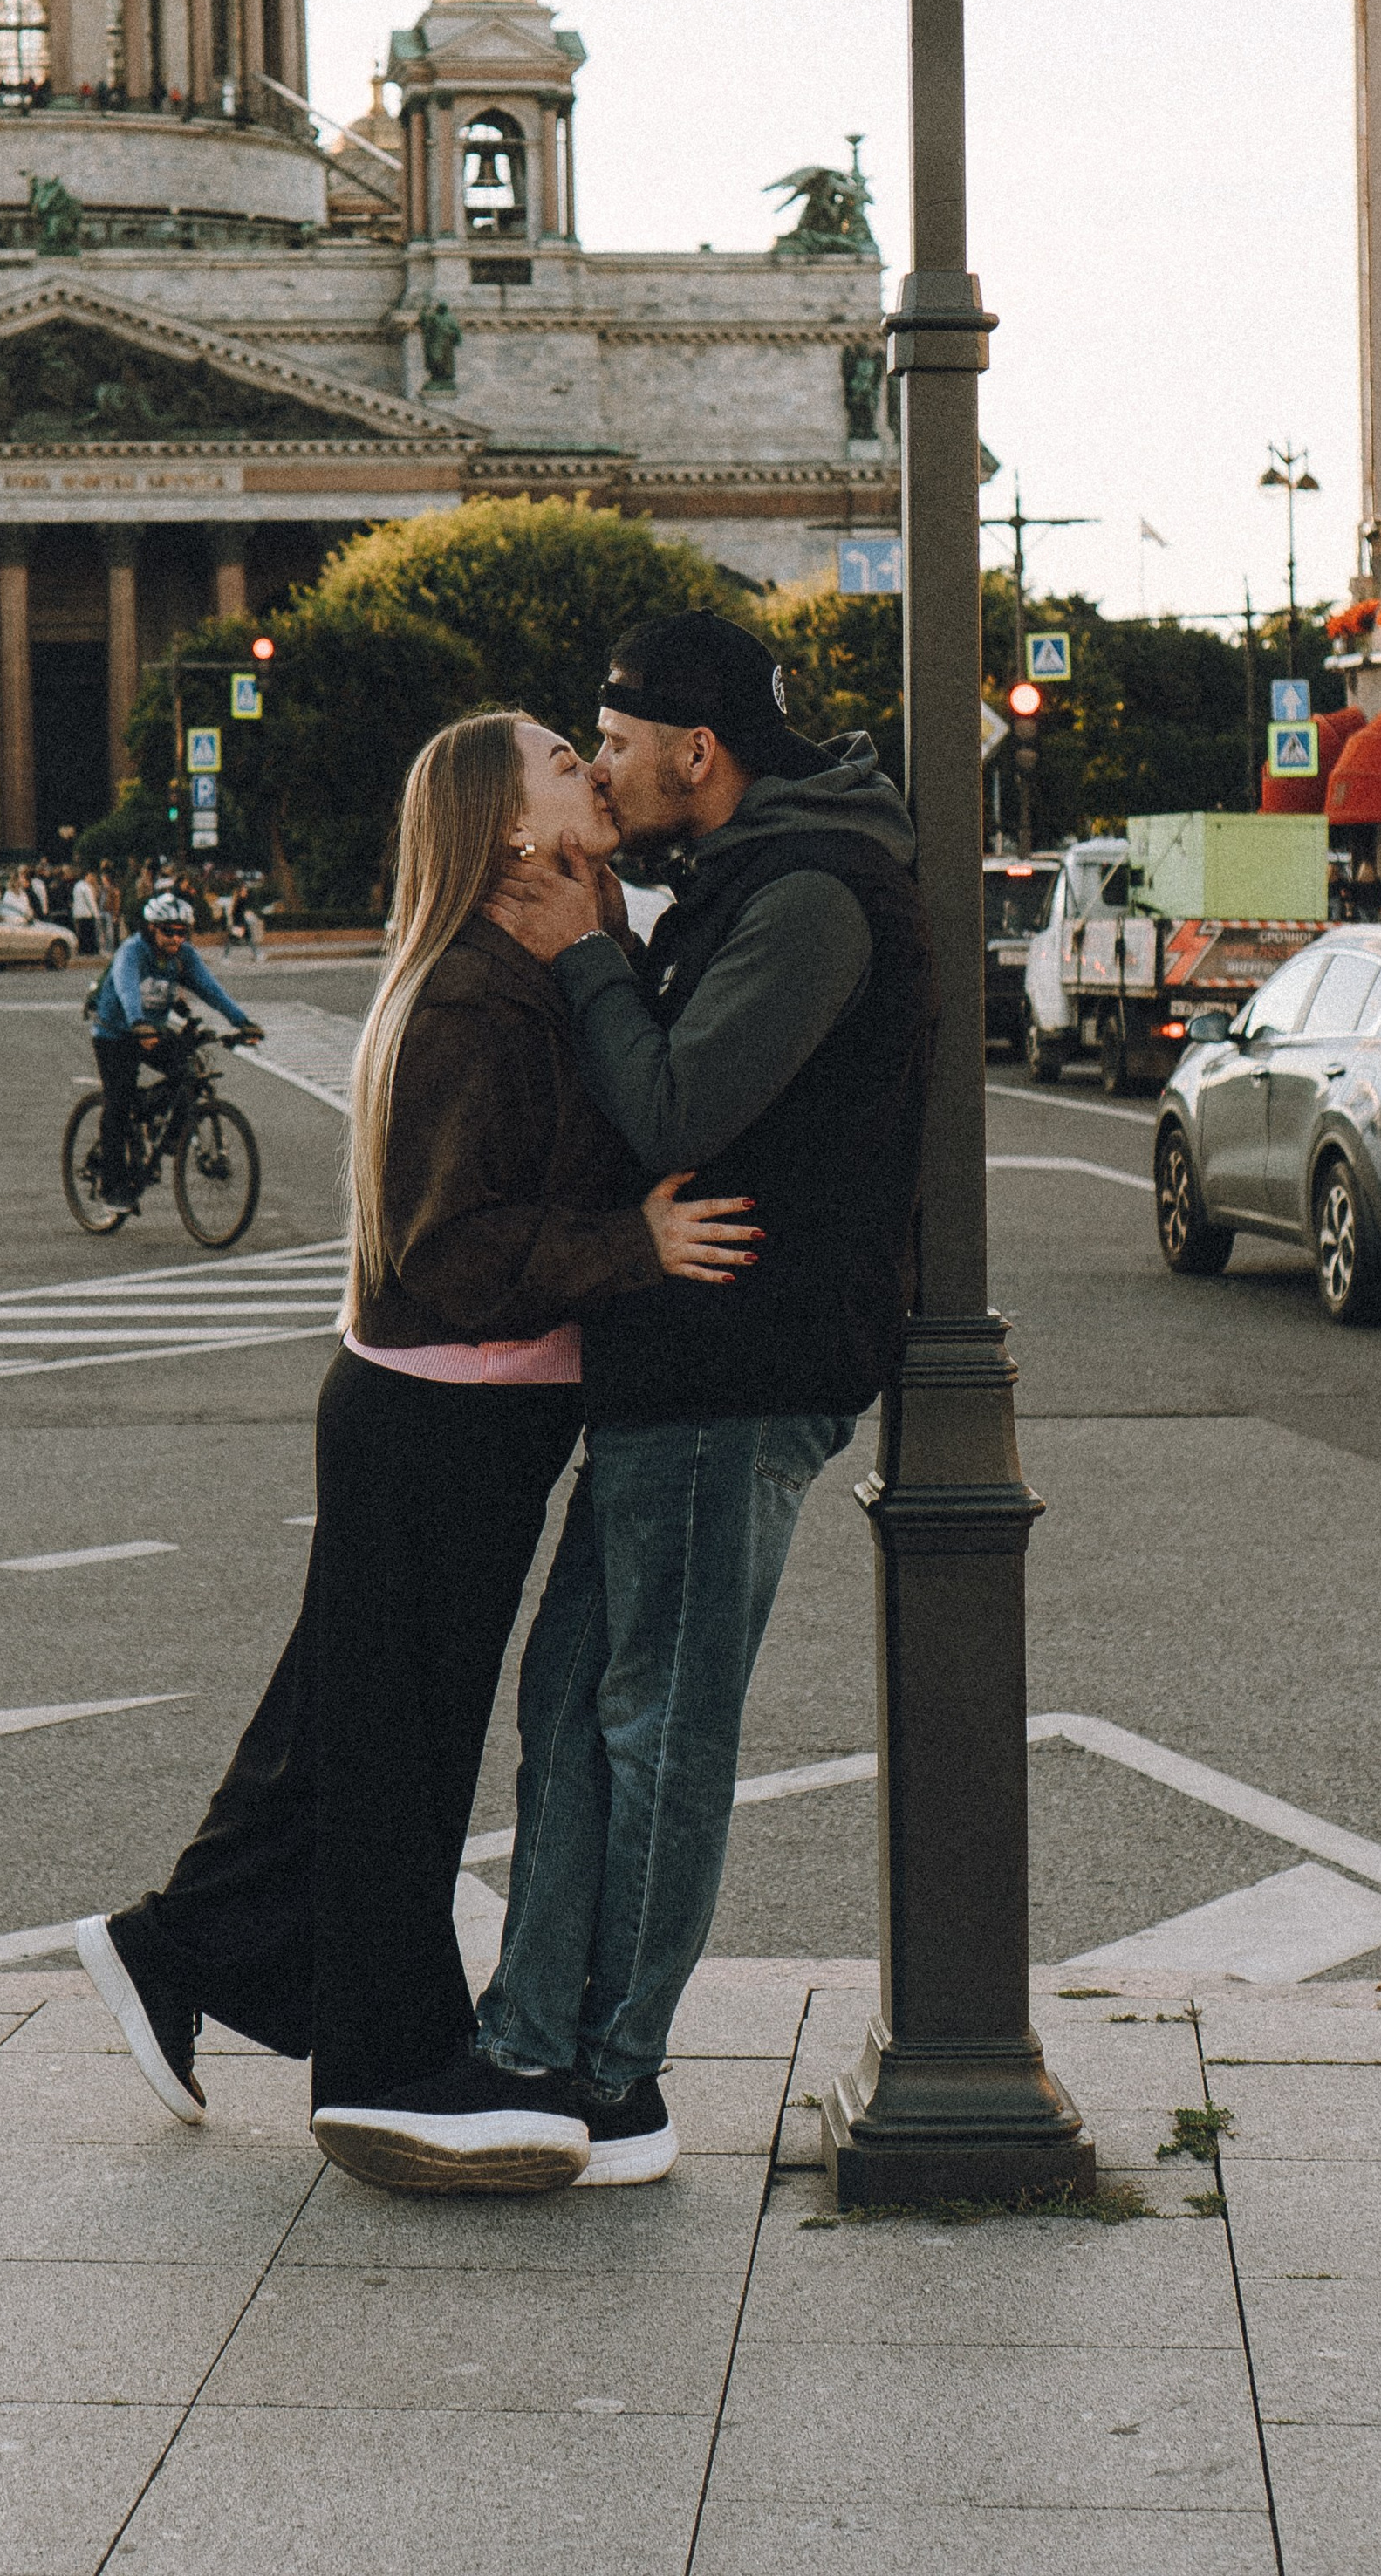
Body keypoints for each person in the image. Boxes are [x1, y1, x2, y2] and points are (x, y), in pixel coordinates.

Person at [75, 712, 758, 2192]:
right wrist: (630, 1250)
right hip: (442, 1404)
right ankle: (384, 2061)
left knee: (340, 1727)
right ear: (510, 830)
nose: (592, 769)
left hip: (465, 1409)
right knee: (401, 1750)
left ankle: (171, 1948)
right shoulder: (467, 998)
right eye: (563, 766)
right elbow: (456, 1252)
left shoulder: (523, 963)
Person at [466, 609, 934, 2190]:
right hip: (685, 1357)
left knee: (656, 1724)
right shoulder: (753, 876)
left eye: (610, 743)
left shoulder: (810, 895)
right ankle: (530, 2036)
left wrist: (585, 952)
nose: (597, 768)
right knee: (574, 1700)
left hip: (741, 1361)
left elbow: (678, 1098)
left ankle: (615, 2079)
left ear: (696, 753)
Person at [86, 888, 263, 1211]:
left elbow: (212, 990)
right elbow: (126, 987)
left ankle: (167, 1140)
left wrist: (243, 1021)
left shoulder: (183, 956)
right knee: (119, 1103)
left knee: (189, 1072)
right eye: (168, 931)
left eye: (182, 932)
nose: (176, 938)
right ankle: (112, 1188)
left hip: (151, 1029)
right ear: (151, 928)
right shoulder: (133, 951)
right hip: (115, 1032)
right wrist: (138, 1022)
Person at [70, 867, 101, 959]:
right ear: (87, 876)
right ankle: (90, 951)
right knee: (89, 933)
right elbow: (91, 902)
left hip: (78, 913)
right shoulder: (87, 887)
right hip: (87, 914)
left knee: (81, 933)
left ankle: (82, 950)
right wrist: (96, 914)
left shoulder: (77, 885)